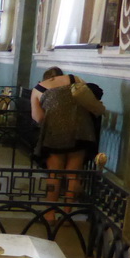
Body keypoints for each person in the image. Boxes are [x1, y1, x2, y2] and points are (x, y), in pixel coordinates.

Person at [31, 66, 106, 221]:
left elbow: (38, 118)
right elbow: (89, 99)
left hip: (55, 133)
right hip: (81, 131)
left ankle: (50, 214)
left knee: (55, 173)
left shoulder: (38, 89)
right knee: (73, 174)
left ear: (44, 78)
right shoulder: (75, 79)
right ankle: (67, 214)